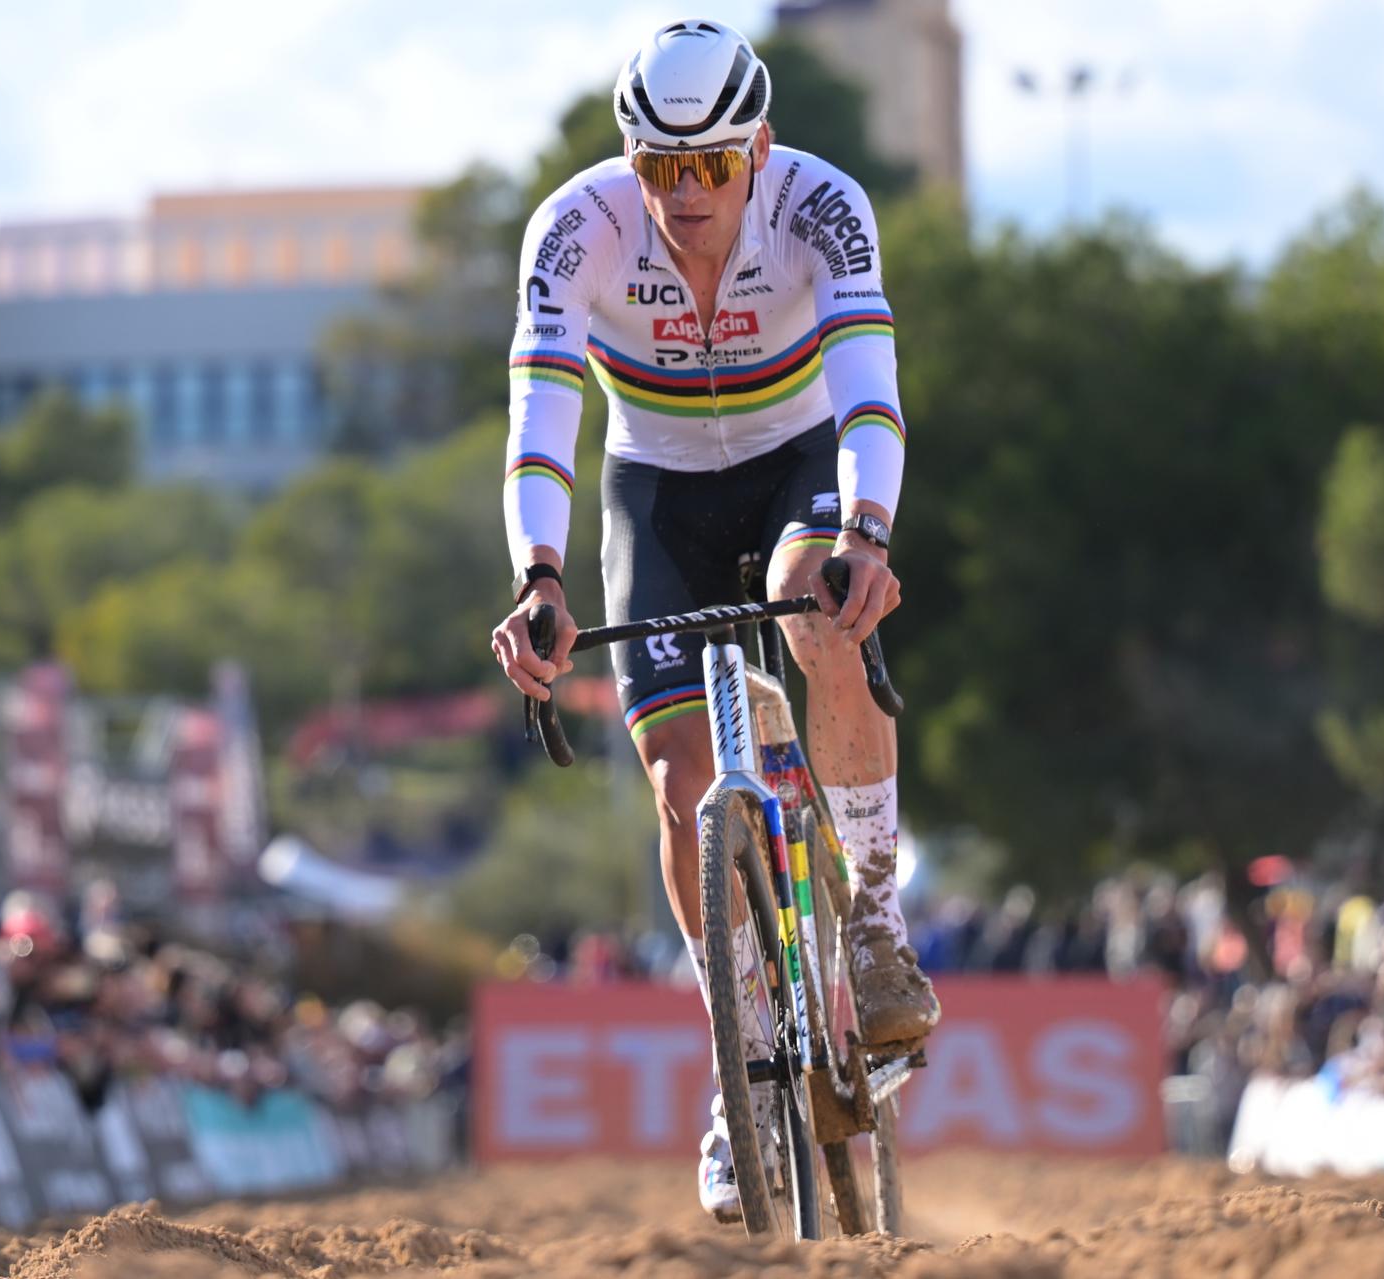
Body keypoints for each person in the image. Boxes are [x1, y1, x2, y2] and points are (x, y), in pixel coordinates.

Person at [488, 19, 938, 1220]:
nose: (686, 194)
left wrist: (870, 537)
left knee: (818, 614)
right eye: (659, 167)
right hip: (655, 484)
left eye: (712, 164)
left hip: (798, 461)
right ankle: (738, 1057)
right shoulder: (575, 227)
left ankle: (880, 921)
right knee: (681, 788)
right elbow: (541, 413)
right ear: (629, 161)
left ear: (761, 147)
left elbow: (869, 390)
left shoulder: (824, 206)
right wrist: (538, 574)